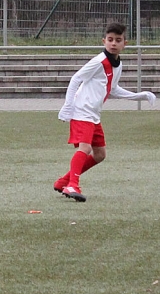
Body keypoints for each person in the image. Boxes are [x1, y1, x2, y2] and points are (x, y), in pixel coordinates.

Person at [54, 22, 156, 202]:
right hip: (82, 111)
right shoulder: (99, 61)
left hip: (93, 115)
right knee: (85, 148)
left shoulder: (117, 64)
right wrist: (68, 106)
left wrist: (140, 95)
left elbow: (113, 89)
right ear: (104, 41)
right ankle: (72, 185)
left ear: (125, 43)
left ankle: (63, 181)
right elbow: (76, 79)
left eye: (118, 40)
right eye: (110, 39)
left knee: (100, 154)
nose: (113, 43)